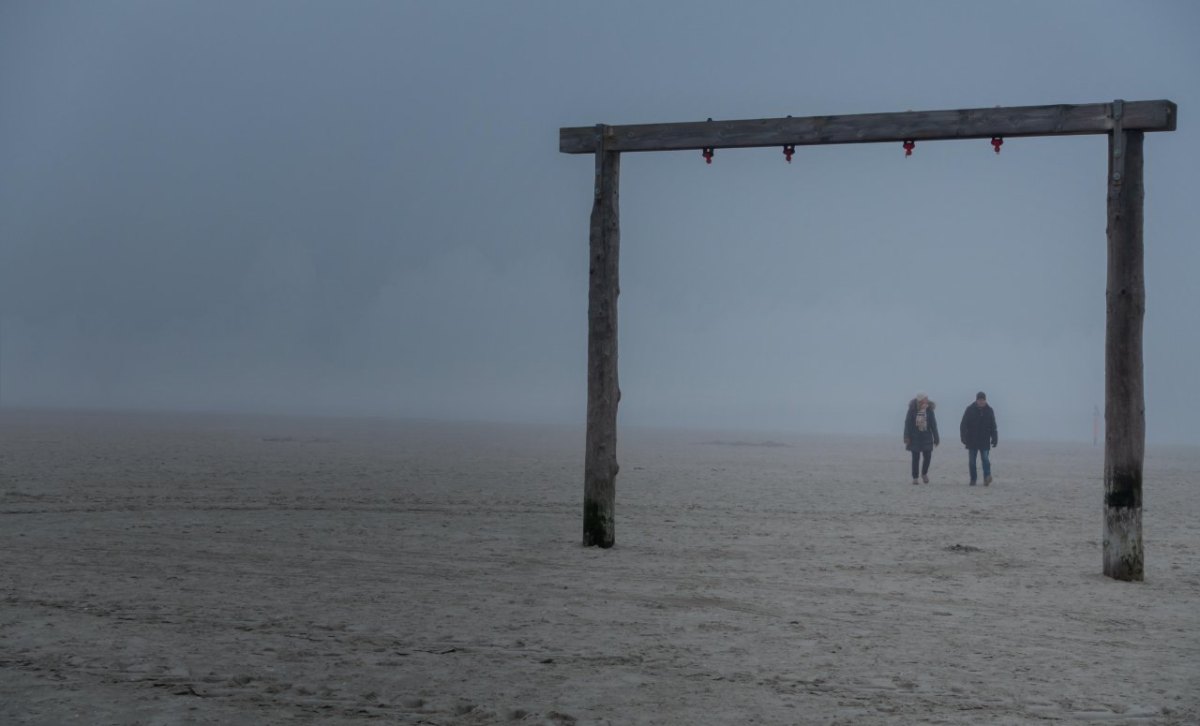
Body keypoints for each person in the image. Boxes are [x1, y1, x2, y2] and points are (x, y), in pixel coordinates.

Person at [960, 391, 999, 486]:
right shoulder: (969, 409)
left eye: (983, 400)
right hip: (972, 440)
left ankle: (987, 477)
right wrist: (963, 437)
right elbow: (963, 425)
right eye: (979, 400)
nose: (981, 401)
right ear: (976, 400)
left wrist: (994, 438)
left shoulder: (989, 410)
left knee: (985, 459)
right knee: (972, 462)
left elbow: (993, 426)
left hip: (984, 440)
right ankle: (973, 479)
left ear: (985, 400)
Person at [903, 393, 939, 484]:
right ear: (920, 400)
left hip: (926, 437)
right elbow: (907, 423)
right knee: (915, 458)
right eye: (924, 398)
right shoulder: (912, 410)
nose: (926, 400)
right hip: (914, 437)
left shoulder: (929, 410)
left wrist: (936, 437)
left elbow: (933, 425)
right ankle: (915, 478)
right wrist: (906, 436)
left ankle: (924, 473)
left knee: (927, 457)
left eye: (927, 398)